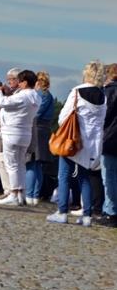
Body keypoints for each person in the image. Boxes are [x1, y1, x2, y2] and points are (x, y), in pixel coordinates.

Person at [47, 61, 107, 227]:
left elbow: (63, 118)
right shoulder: (103, 97)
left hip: (73, 140)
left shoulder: (77, 91)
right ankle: (87, 215)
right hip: (92, 142)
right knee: (84, 178)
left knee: (64, 175)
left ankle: (62, 212)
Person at [0, 69, 41, 206]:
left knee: (12, 165)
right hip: (25, 133)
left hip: (12, 132)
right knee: (20, 164)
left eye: (20, 81)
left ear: (25, 83)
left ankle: (14, 193)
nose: (19, 84)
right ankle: (21, 194)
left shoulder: (23, 96)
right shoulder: (36, 97)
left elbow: (2, 102)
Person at [25, 71, 54, 205]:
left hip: (37, 129)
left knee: (31, 163)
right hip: (43, 130)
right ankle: (35, 195)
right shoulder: (47, 95)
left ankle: (30, 194)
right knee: (37, 165)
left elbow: (36, 112)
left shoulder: (41, 95)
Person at [99, 63, 117, 227]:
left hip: (110, 138)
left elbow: (105, 115)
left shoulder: (109, 92)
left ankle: (111, 211)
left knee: (109, 177)